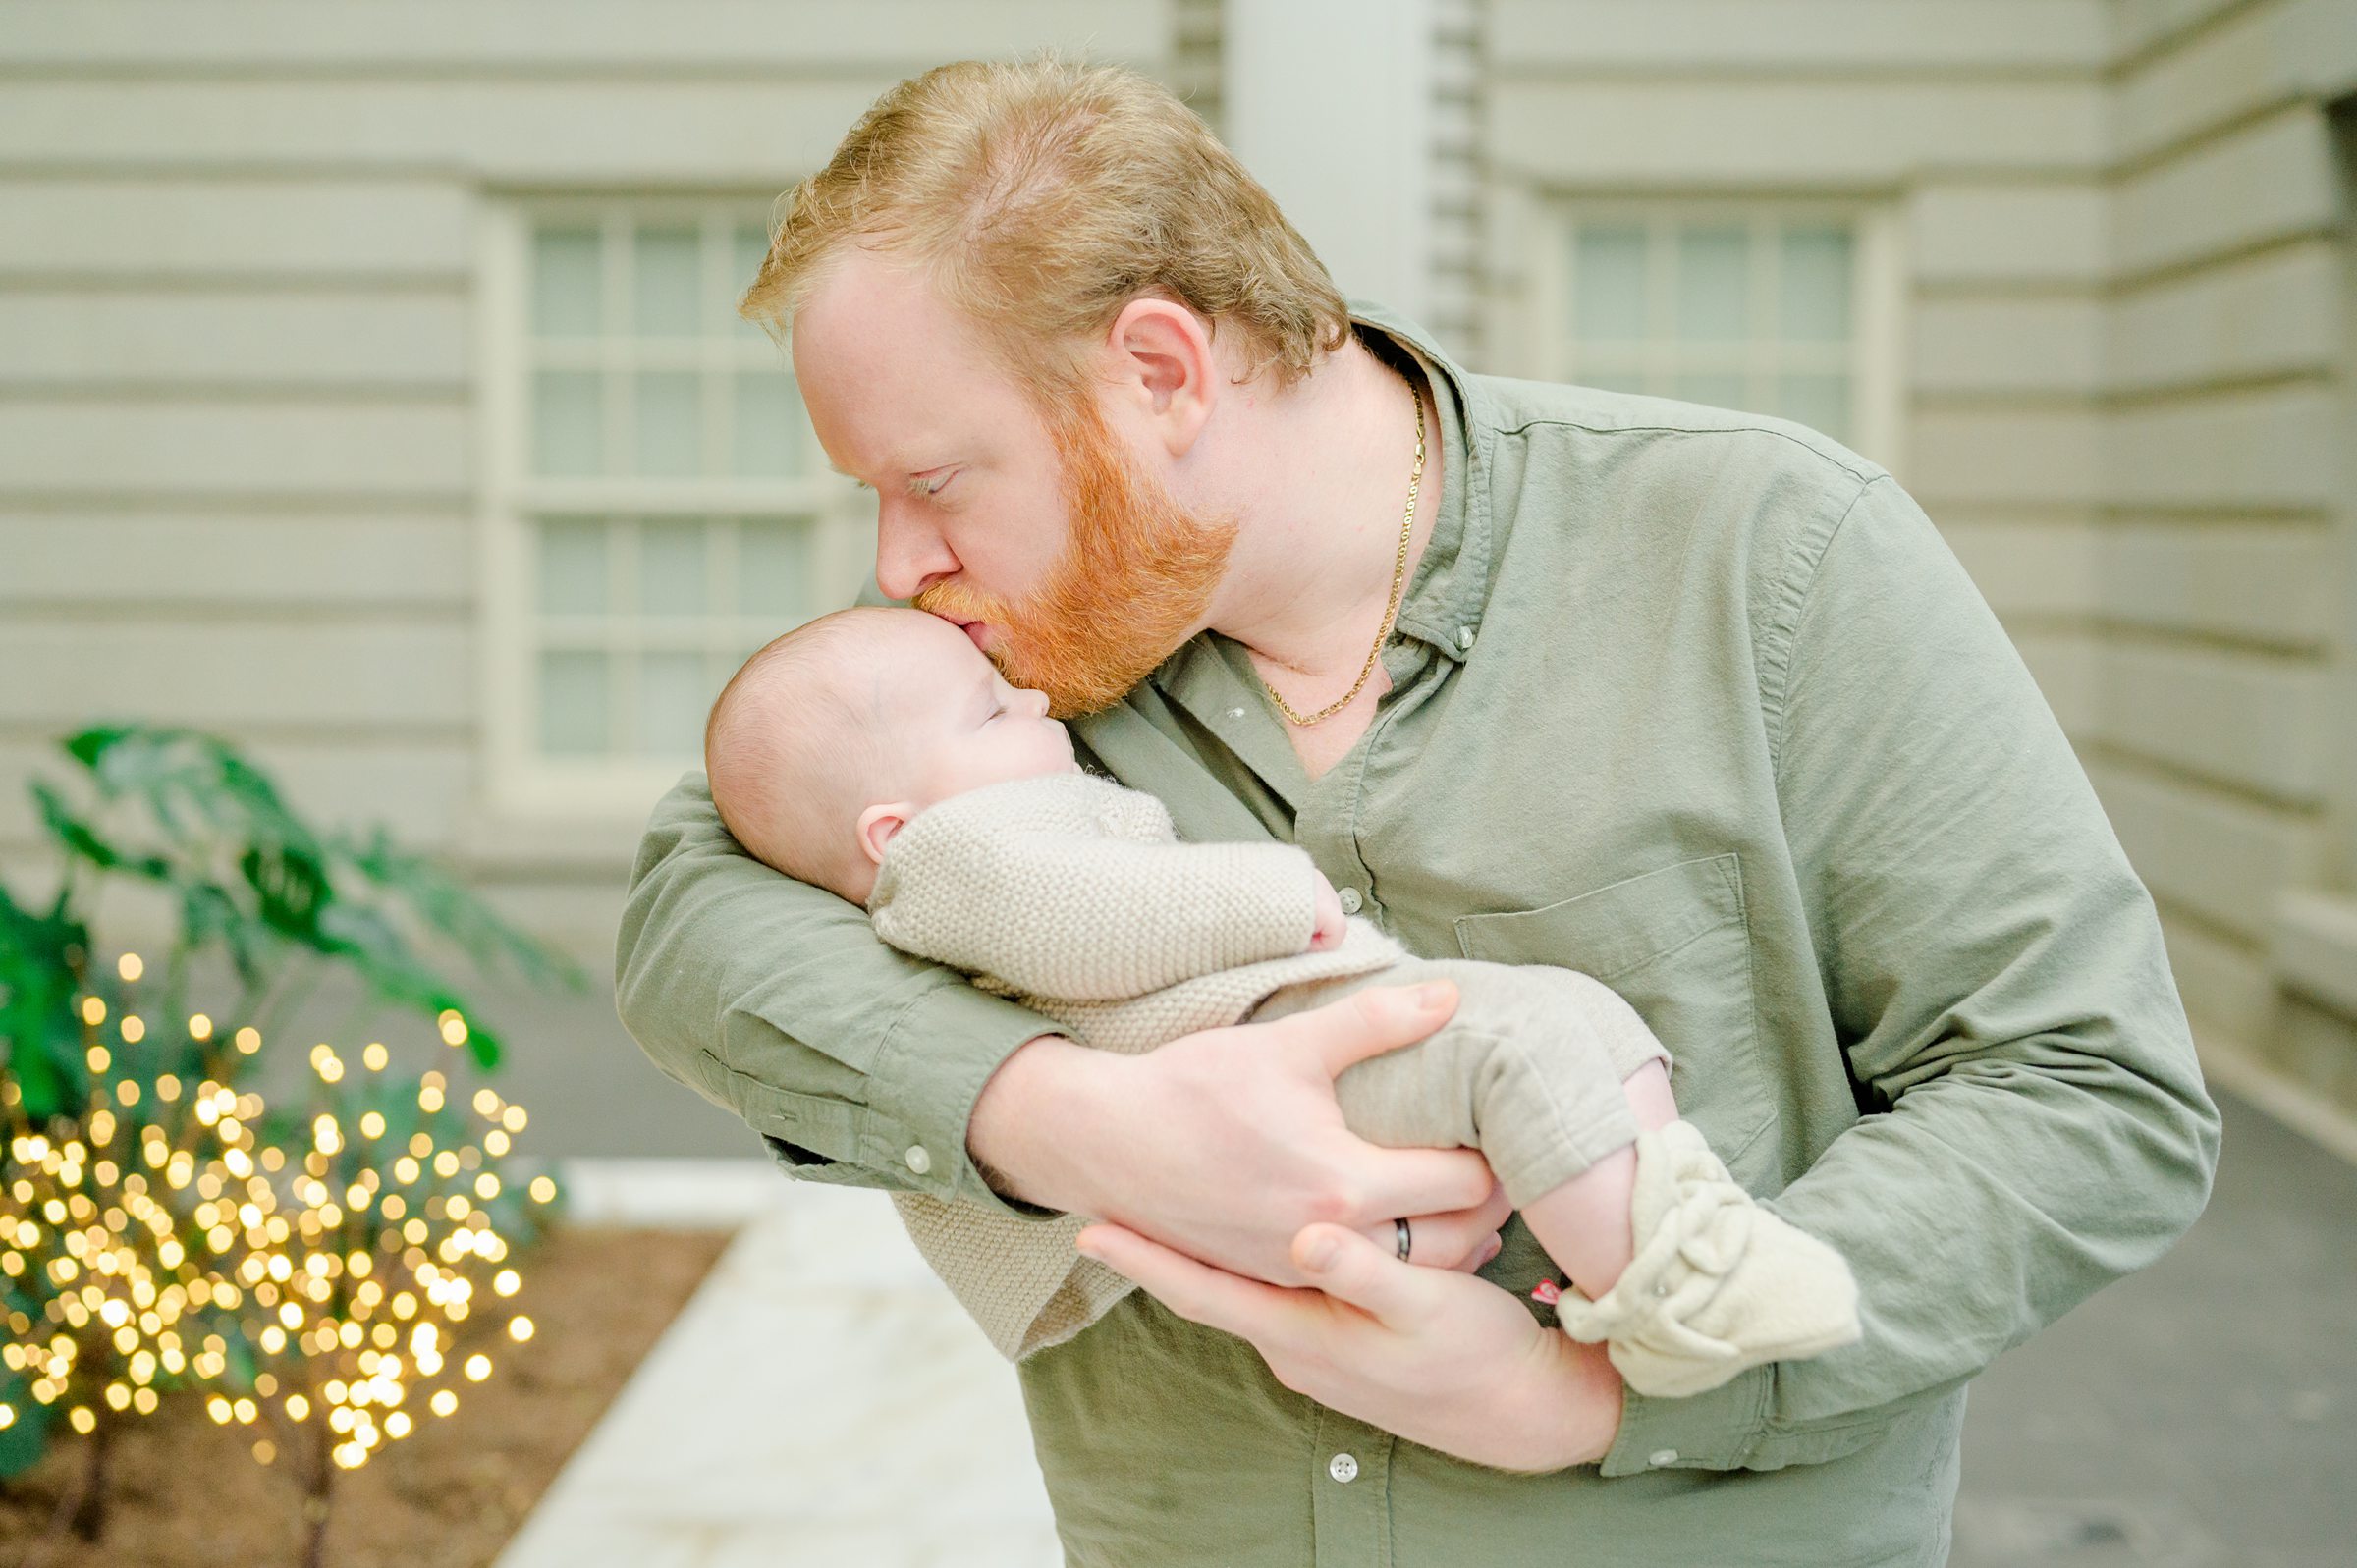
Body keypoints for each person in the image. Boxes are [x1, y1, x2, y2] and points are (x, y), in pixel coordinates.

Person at [615, 55, 2220, 1567]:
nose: (897, 566)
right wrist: (1073, 1122)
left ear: (1160, 371)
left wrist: (1592, 1398)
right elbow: (693, 913)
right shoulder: (994, 666)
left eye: (934, 481)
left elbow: (2089, 1093)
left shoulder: (1771, 551)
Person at [696, 603, 1863, 1380]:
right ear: (889, 826)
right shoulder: (957, 859)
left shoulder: (970, 816)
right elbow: (1090, 922)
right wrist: (1274, 895)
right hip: (1263, 1039)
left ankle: (1674, 1222)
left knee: (1568, 1023)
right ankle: (1668, 1297)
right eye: (993, 712)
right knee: (1526, 1046)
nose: (1036, 704)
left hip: (1284, 1032)